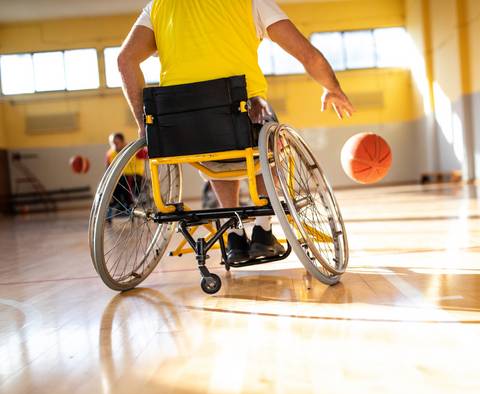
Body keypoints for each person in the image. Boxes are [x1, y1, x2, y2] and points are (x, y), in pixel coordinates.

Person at [117, 0, 354, 262]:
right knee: (265, 136)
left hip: (184, 131)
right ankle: (263, 230)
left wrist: (144, 123)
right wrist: (332, 87)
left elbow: (125, 59)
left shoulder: (159, 6)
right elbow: (308, 54)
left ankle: (234, 233)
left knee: (214, 145)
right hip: (243, 114)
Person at [106, 132, 146, 222]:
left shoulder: (134, 150)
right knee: (112, 183)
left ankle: (127, 204)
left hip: (135, 176)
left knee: (125, 180)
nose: (114, 145)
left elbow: (147, 155)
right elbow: (107, 170)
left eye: (116, 143)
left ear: (123, 142)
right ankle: (115, 202)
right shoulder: (110, 154)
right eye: (112, 143)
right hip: (119, 179)